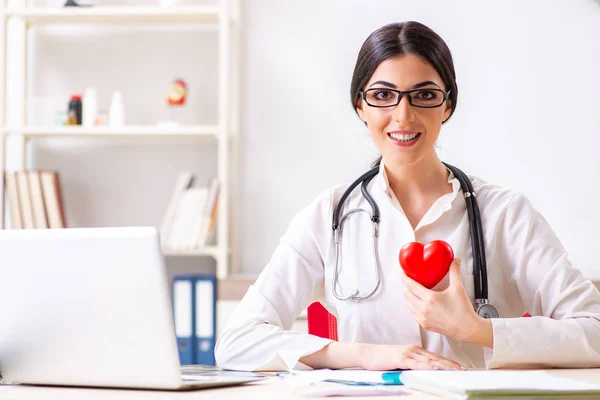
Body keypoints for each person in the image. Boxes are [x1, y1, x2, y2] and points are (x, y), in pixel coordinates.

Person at [214, 21, 600, 371]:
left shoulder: (505, 214)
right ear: (360, 106)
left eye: (424, 95)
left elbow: (594, 332)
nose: (403, 115)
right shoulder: (327, 216)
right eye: (383, 95)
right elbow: (237, 342)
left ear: (447, 104)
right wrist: (367, 355)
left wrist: (480, 330)